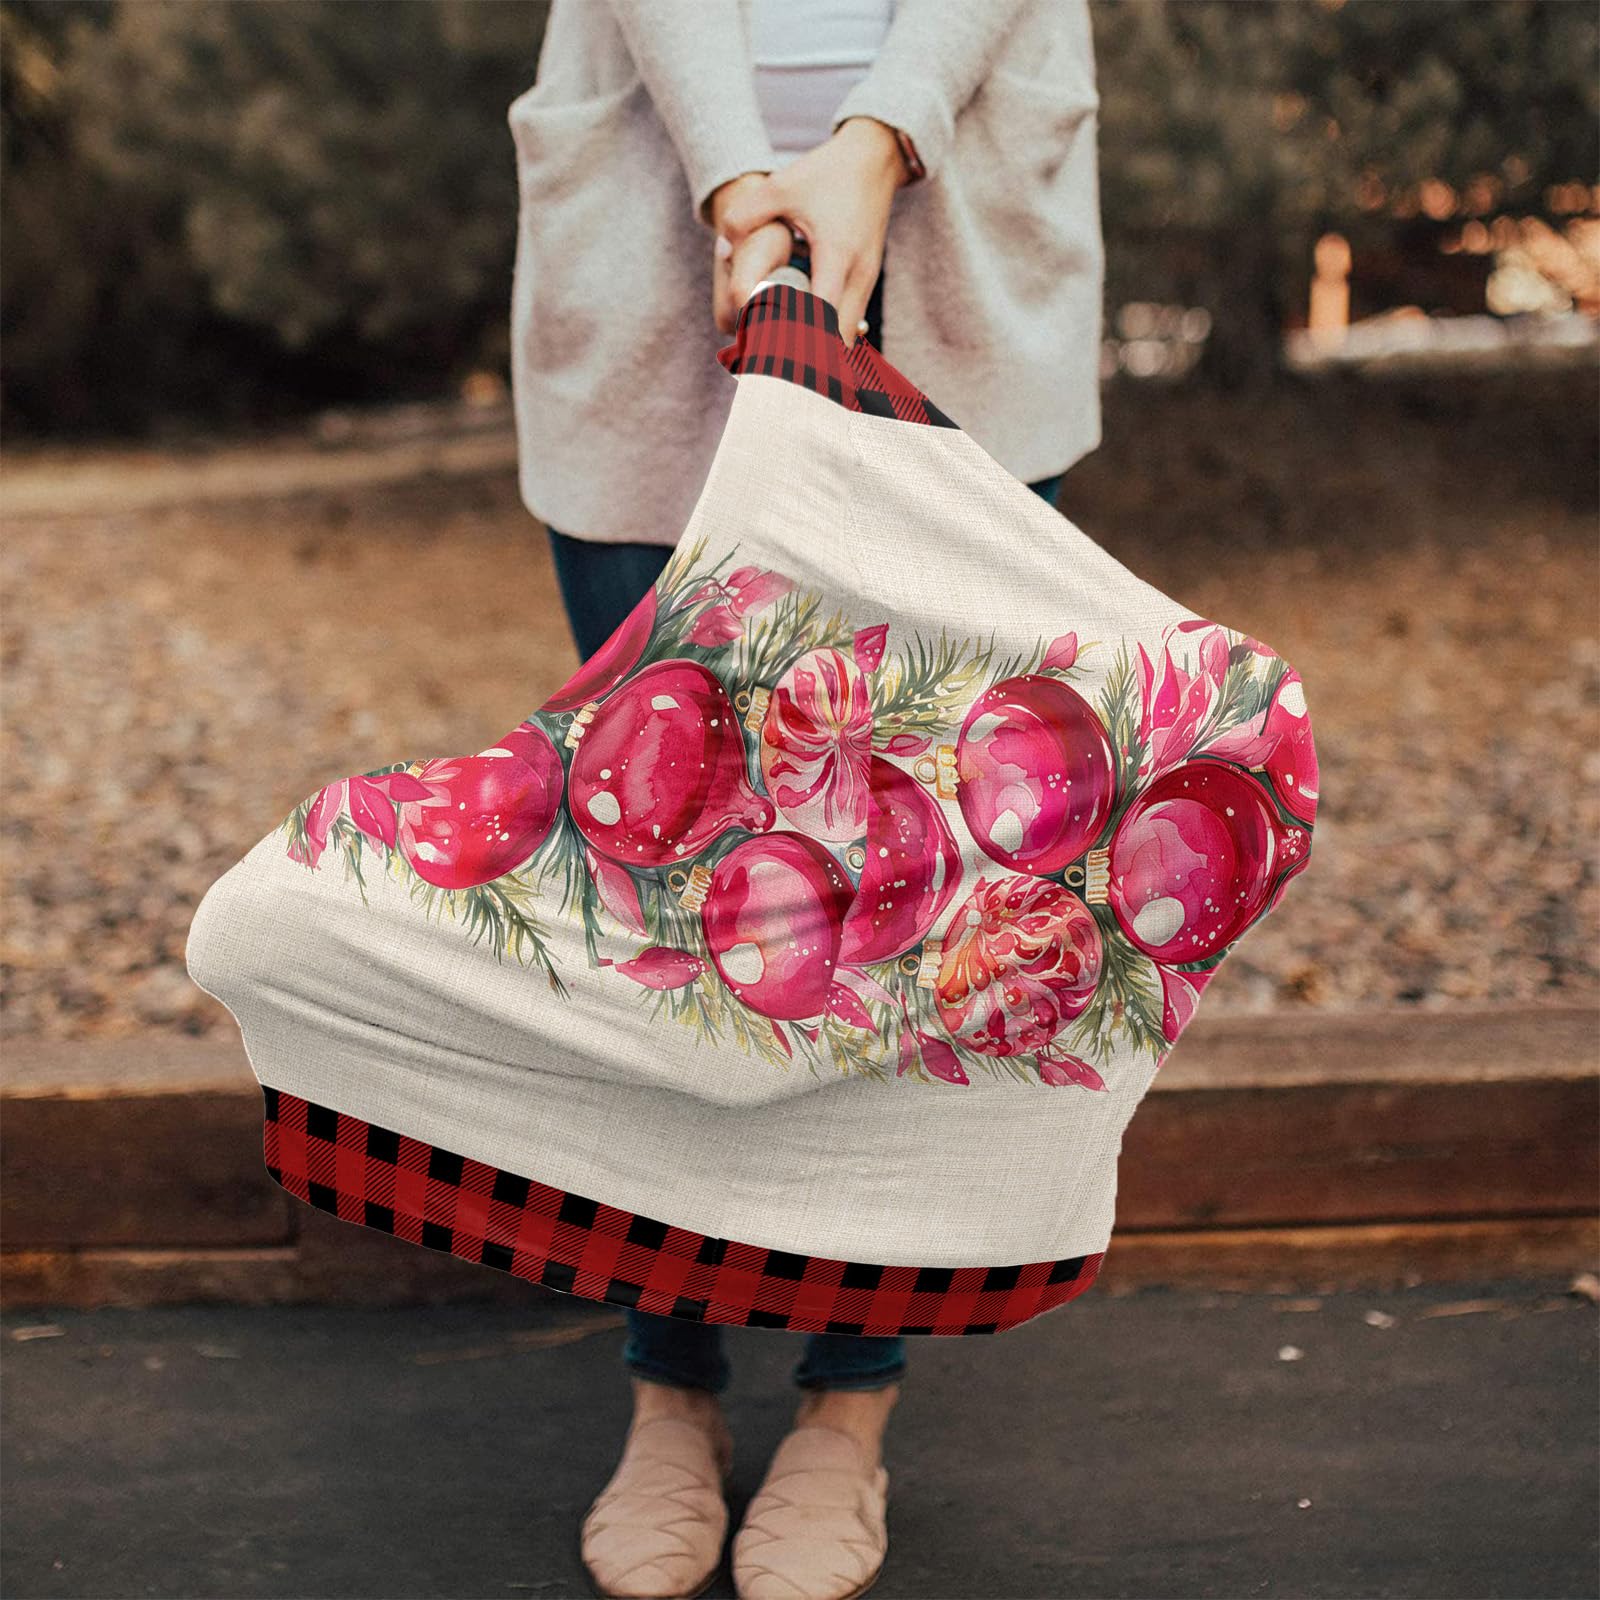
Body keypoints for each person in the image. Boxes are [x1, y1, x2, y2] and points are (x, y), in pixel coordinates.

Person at [507, 4, 1104, 1596]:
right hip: (656, 215)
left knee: (918, 871)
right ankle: (670, 1385)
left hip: (959, 216)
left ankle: (850, 1404)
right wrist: (733, 178)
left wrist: (877, 136)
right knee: (668, 868)